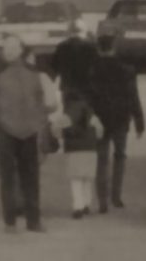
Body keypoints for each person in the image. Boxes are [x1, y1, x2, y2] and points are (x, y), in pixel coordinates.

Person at [0, 35, 48, 233]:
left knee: (31, 177)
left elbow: (40, 98)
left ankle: (34, 221)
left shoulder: (33, 72)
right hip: (5, 132)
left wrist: (39, 122)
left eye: (13, 48)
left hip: (29, 132)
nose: (8, 51)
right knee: (7, 177)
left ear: (20, 50)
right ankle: (10, 222)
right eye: (6, 48)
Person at [90, 32, 145, 212]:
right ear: (113, 48)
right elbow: (133, 97)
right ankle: (117, 196)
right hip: (121, 119)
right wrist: (139, 121)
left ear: (98, 49)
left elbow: (88, 97)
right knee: (120, 156)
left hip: (100, 119)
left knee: (101, 159)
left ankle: (102, 200)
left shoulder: (92, 69)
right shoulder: (126, 70)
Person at [55, 87, 102, 219]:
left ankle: (78, 207)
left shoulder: (69, 112)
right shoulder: (91, 112)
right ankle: (87, 204)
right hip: (91, 149)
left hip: (75, 149)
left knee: (76, 179)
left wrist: (60, 135)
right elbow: (99, 131)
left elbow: (59, 128)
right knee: (87, 179)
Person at [51, 17, 98, 96]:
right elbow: (97, 66)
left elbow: (55, 66)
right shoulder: (91, 47)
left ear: (69, 31)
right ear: (85, 31)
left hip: (68, 88)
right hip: (86, 88)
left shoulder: (61, 46)